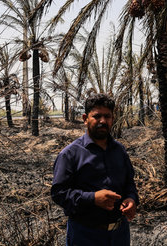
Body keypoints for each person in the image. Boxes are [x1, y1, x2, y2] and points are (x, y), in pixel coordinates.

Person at [51, 93, 139, 246]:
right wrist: (92, 198)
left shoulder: (120, 151)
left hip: (120, 234)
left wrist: (131, 199)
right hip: (85, 235)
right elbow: (59, 193)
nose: (103, 121)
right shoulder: (70, 154)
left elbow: (129, 183)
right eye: (97, 116)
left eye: (107, 116)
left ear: (113, 119)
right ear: (85, 119)